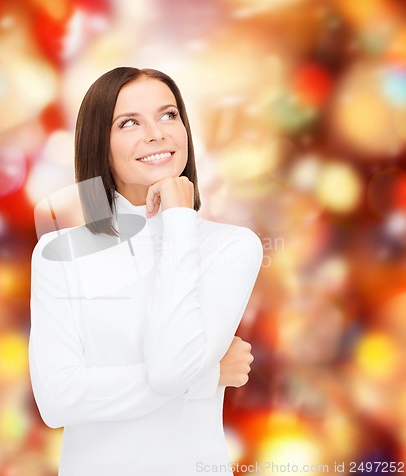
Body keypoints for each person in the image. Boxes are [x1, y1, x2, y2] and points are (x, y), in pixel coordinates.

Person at [29, 67, 263, 476]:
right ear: (99, 144)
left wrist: (177, 222)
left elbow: (172, 367)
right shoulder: (57, 252)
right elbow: (57, 399)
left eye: (168, 115)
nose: (156, 133)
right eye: (129, 123)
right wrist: (206, 377)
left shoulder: (232, 246)